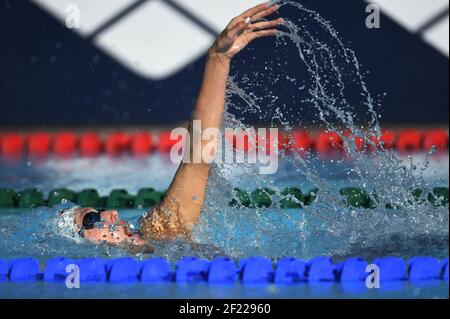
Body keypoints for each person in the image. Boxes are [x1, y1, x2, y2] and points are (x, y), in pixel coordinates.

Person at [58, 2, 282, 248]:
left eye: (97, 211)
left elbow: (197, 159)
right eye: (90, 219)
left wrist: (218, 59)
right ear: (78, 243)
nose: (111, 213)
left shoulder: (158, 232)